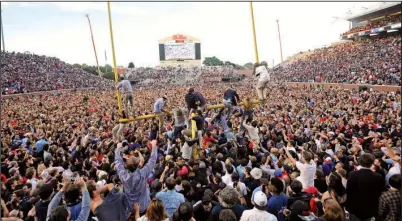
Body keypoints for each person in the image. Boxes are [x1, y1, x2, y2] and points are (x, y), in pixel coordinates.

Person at [88, 140, 158, 221]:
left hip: (128, 207)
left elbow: (118, 161)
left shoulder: (123, 174)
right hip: (143, 205)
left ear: (127, 166)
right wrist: (154, 146)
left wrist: (118, 148)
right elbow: (152, 160)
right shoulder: (143, 173)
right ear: (137, 165)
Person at [346, 153, 385, 221]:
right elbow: (379, 192)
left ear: (360, 162)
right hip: (370, 208)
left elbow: (349, 191)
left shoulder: (352, 174)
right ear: (372, 163)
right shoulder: (378, 176)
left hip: (355, 208)